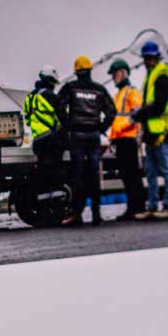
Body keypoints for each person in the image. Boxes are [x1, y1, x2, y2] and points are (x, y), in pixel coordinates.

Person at [58, 55, 114, 225]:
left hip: (77, 136)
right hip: (93, 136)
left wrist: (67, 125)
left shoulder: (70, 87)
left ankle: (78, 215)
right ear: (90, 70)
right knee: (94, 175)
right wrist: (101, 128)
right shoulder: (99, 89)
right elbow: (111, 111)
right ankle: (96, 215)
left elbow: (59, 106)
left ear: (76, 72)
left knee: (78, 175)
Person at [134, 39, 168, 218]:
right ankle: (152, 207)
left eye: (150, 58)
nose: (148, 61)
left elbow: (159, 105)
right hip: (151, 131)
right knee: (151, 171)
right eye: (146, 58)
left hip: (160, 131)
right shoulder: (152, 75)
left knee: (165, 170)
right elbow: (151, 103)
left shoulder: (161, 75)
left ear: (156, 58)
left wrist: (139, 114)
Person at [107, 58, 147, 219]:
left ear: (123, 73)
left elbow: (137, 113)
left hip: (129, 139)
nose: (113, 77)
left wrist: (123, 127)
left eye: (114, 74)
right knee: (126, 175)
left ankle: (138, 207)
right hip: (120, 140)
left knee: (132, 175)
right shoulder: (118, 95)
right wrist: (112, 138)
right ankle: (133, 207)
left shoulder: (132, 91)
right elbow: (116, 119)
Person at [24, 65, 65, 192]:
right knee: (56, 169)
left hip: (37, 140)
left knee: (42, 168)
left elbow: (27, 120)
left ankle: (43, 194)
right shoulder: (51, 96)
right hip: (51, 139)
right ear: (50, 81)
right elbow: (64, 118)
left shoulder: (29, 98)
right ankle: (56, 192)